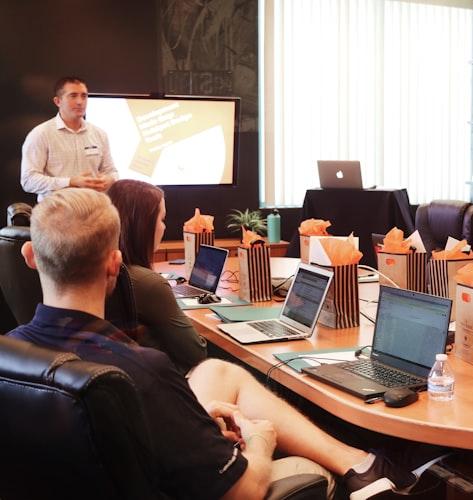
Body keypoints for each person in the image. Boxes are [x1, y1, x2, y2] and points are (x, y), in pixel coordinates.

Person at [8, 188, 419, 499]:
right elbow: (242, 491)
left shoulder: (12, 353)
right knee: (305, 468)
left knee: (216, 371)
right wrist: (261, 439)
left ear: (29, 256)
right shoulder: (141, 371)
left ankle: (359, 461)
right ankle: (361, 468)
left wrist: (193, 414)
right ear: (114, 264)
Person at [106, 179, 206, 374]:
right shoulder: (148, 283)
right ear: (143, 225)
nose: (164, 227)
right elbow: (197, 353)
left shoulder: (101, 271)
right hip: (164, 383)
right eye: (161, 219)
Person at [20, 76, 117, 201]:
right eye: (73, 96)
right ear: (58, 101)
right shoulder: (40, 134)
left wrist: (110, 179)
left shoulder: (99, 134)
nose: (80, 101)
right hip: (56, 213)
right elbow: (29, 181)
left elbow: (112, 171)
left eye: (84, 96)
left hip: (93, 210)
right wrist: (70, 182)